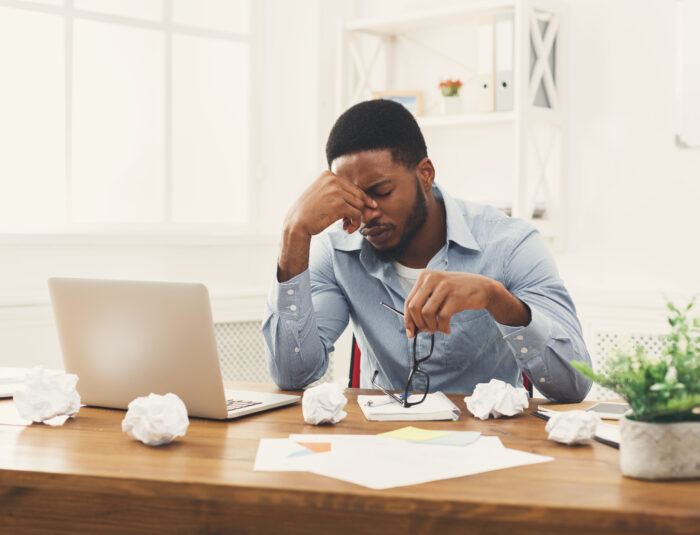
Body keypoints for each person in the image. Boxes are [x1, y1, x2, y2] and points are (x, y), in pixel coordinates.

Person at [262, 99, 591, 403]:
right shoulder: (337, 253)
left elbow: (573, 385)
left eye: (382, 191)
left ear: (425, 174)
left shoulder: (509, 244)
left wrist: (497, 299)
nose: (367, 212)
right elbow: (293, 374)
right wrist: (294, 233)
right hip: (381, 444)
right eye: (353, 198)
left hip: (489, 444)